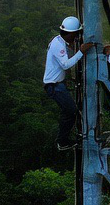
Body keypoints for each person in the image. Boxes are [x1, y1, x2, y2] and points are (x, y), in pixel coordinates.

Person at [44, 16, 94, 150]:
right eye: (76, 34)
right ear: (71, 33)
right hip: (54, 86)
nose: (76, 37)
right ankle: (62, 141)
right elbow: (66, 65)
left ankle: (65, 139)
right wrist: (81, 52)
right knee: (71, 111)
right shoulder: (58, 45)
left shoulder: (58, 41)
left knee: (70, 110)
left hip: (57, 84)